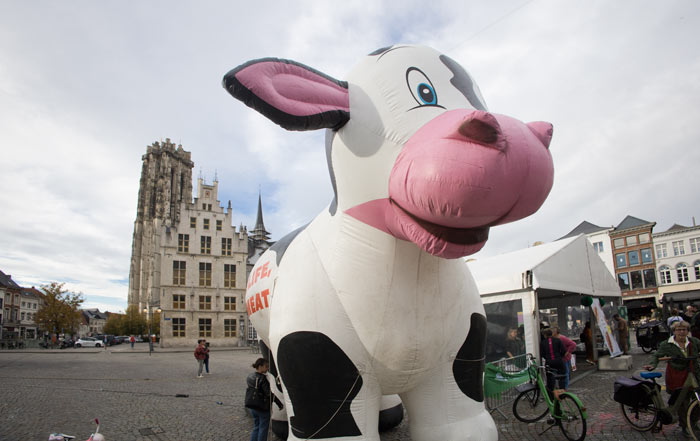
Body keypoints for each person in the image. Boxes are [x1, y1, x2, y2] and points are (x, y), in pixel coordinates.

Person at [643, 321, 700, 437]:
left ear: (688, 331)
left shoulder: (694, 342)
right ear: (674, 331)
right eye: (679, 330)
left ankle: (692, 422)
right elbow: (657, 355)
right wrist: (652, 365)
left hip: (693, 374)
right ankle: (685, 426)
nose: (682, 332)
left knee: (697, 400)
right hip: (676, 375)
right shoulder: (667, 344)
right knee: (681, 402)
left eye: (684, 329)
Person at [245, 358, 283, 441]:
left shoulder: (250, 376)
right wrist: (279, 404)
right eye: (266, 366)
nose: (267, 369)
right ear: (260, 366)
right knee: (263, 428)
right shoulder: (263, 379)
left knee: (256, 427)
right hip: (262, 407)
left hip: (253, 406)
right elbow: (269, 394)